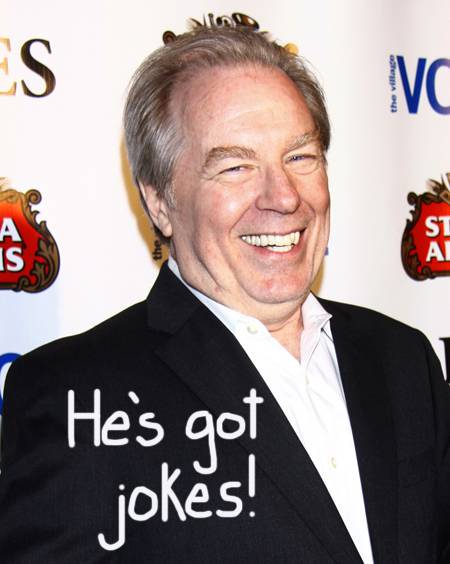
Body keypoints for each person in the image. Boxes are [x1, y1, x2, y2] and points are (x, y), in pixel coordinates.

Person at [0, 26, 449, 564]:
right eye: (236, 167)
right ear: (160, 202)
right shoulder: (78, 396)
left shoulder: (403, 360)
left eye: (300, 157)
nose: (284, 197)